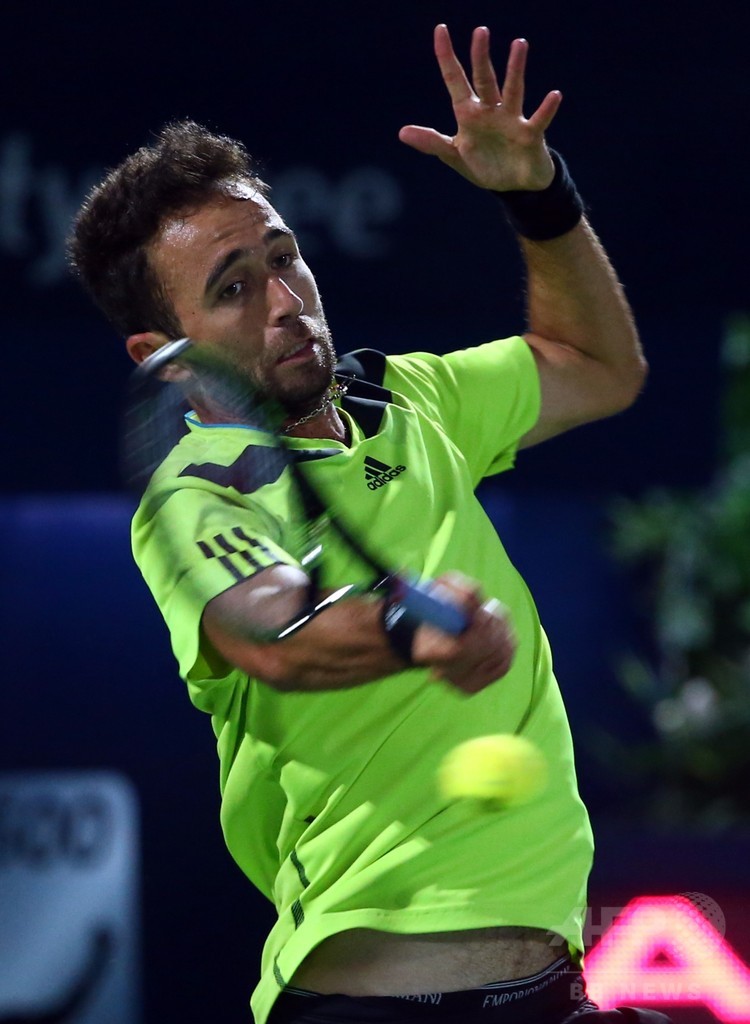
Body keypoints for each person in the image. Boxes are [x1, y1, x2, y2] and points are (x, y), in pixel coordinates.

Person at [69, 23, 669, 1024]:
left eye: (284, 258)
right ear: (163, 354)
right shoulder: (198, 494)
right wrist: (404, 625)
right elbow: (274, 632)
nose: (284, 300)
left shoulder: (411, 401)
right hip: (368, 1002)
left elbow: (603, 368)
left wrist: (538, 196)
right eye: (232, 289)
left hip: (552, 987)